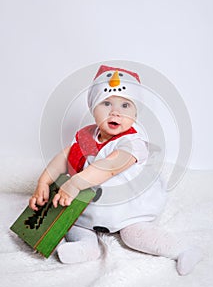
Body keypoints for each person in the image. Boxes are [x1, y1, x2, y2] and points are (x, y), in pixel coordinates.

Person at [29, 65, 202, 275]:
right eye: (106, 103)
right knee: (73, 222)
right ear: (93, 109)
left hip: (128, 208)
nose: (115, 112)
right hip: (92, 206)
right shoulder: (86, 137)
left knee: (134, 235)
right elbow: (64, 157)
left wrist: (74, 183)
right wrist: (44, 181)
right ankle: (87, 247)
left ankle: (182, 250)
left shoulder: (133, 143)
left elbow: (109, 166)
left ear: (136, 114)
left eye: (125, 105)